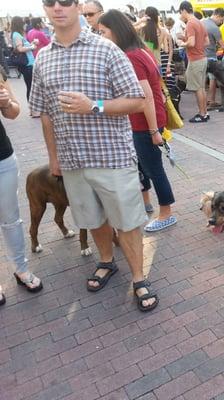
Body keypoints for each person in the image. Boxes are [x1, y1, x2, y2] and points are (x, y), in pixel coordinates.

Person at [31, 0, 158, 312]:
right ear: (44, 8)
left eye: (65, 2)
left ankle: (139, 277)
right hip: (73, 160)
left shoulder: (106, 49)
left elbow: (136, 100)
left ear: (77, 7)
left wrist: (95, 105)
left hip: (111, 156)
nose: (57, 7)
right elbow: (45, 113)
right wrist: (54, 157)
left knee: (127, 222)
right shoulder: (43, 58)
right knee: (92, 218)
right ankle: (106, 260)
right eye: (50, 2)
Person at [99, 10, 177, 232]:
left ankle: (166, 212)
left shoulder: (132, 56)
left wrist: (153, 131)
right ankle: (147, 204)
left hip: (146, 123)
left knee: (153, 169)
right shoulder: (139, 50)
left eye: (103, 32)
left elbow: (146, 96)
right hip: (145, 121)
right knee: (144, 167)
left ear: (115, 30)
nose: (101, 36)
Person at [0, 66, 43, 307]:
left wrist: (6, 103)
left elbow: (14, 112)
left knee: (11, 218)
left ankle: (21, 269)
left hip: (2, 158)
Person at [178, 1, 209, 123]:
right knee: (201, 88)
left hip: (195, 59)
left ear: (183, 10)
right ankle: (205, 113)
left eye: (181, 13)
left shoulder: (190, 24)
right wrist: (187, 39)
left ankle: (202, 114)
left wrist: (182, 43)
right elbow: (206, 42)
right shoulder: (199, 22)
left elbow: (191, 43)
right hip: (202, 58)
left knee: (197, 88)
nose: (181, 15)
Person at [204, 8, 224, 110]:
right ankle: (211, 101)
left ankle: (204, 100)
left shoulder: (202, 22)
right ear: (218, 16)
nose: (221, 23)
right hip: (210, 56)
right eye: (221, 20)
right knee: (213, 79)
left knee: (202, 80)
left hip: (199, 56)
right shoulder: (214, 28)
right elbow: (223, 45)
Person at [10, 16, 35, 102]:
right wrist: (31, 47)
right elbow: (20, 49)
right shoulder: (16, 35)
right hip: (26, 64)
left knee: (31, 86)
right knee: (31, 86)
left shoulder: (17, 34)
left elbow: (21, 47)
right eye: (22, 22)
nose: (24, 24)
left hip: (28, 63)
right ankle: (32, 109)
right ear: (19, 24)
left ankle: (33, 108)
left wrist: (31, 44)